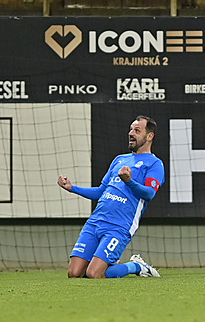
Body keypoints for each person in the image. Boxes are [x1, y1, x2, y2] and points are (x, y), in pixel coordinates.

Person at [58, 115, 165, 278]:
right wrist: (72, 188)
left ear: (149, 136)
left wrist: (129, 181)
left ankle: (136, 266)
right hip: (95, 221)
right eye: (131, 129)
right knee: (74, 273)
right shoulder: (119, 159)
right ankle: (105, 264)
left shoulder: (155, 164)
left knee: (94, 274)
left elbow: (149, 194)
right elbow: (101, 191)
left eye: (137, 130)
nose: (131, 133)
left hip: (119, 226)